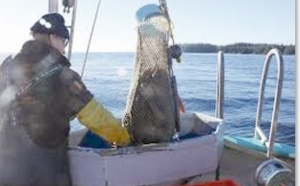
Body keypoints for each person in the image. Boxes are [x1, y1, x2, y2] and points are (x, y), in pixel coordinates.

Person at [0, 13, 130, 186]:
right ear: (53, 37)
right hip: (44, 172)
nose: (64, 49)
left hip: (7, 167)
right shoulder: (63, 75)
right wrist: (124, 139)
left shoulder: (8, 65)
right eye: (64, 42)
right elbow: (96, 117)